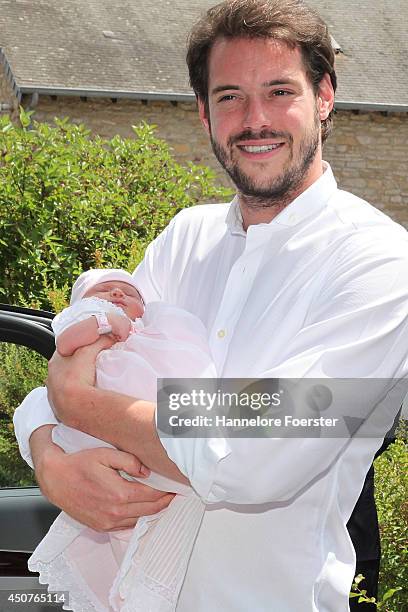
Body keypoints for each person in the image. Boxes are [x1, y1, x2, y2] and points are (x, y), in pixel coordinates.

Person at [14, 1, 408, 610]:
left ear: (324, 96)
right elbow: (92, 362)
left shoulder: (378, 262)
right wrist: (48, 456)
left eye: (280, 91)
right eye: (229, 97)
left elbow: (253, 453)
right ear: (203, 113)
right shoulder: (186, 238)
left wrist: (77, 400)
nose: (255, 120)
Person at [15, 268, 215, 611]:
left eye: (127, 292)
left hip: (247, 583)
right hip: (137, 490)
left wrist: (78, 402)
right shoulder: (177, 243)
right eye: (109, 290)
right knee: (128, 550)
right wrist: (50, 457)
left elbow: (324, 408)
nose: (120, 294)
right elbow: (48, 389)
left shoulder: (338, 261)